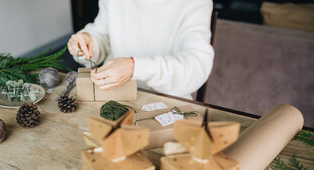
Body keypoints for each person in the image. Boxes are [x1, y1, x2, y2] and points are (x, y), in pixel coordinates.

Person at [67, 0, 214, 98]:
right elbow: (102, 35)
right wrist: (88, 41)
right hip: (113, 92)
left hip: (168, 98)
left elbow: (196, 65)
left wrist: (136, 67)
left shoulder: (196, 3)